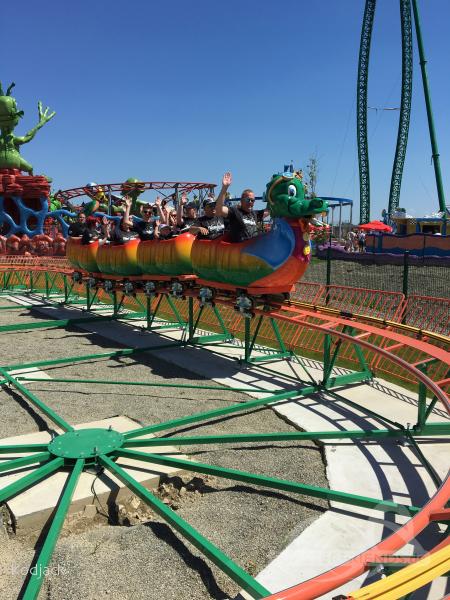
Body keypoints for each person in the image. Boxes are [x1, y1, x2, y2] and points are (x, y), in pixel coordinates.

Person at [215, 172, 262, 243]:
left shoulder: (255, 214)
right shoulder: (235, 212)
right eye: (247, 200)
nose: (250, 202)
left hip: (254, 249)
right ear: (241, 200)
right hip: (239, 250)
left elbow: (272, 209)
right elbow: (218, 210)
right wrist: (224, 188)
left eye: (252, 200)